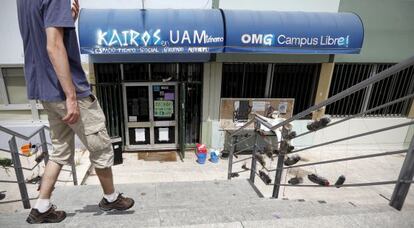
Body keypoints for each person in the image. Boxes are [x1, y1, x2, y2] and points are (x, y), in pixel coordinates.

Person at [16, 0, 134, 224]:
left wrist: (68, 20)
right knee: (100, 144)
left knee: (60, 149)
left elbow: (42, 37)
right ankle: (110, 198)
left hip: (45, 88)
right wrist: (71, 95)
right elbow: (54, 46)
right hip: (67, 90)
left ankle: (41, 207)